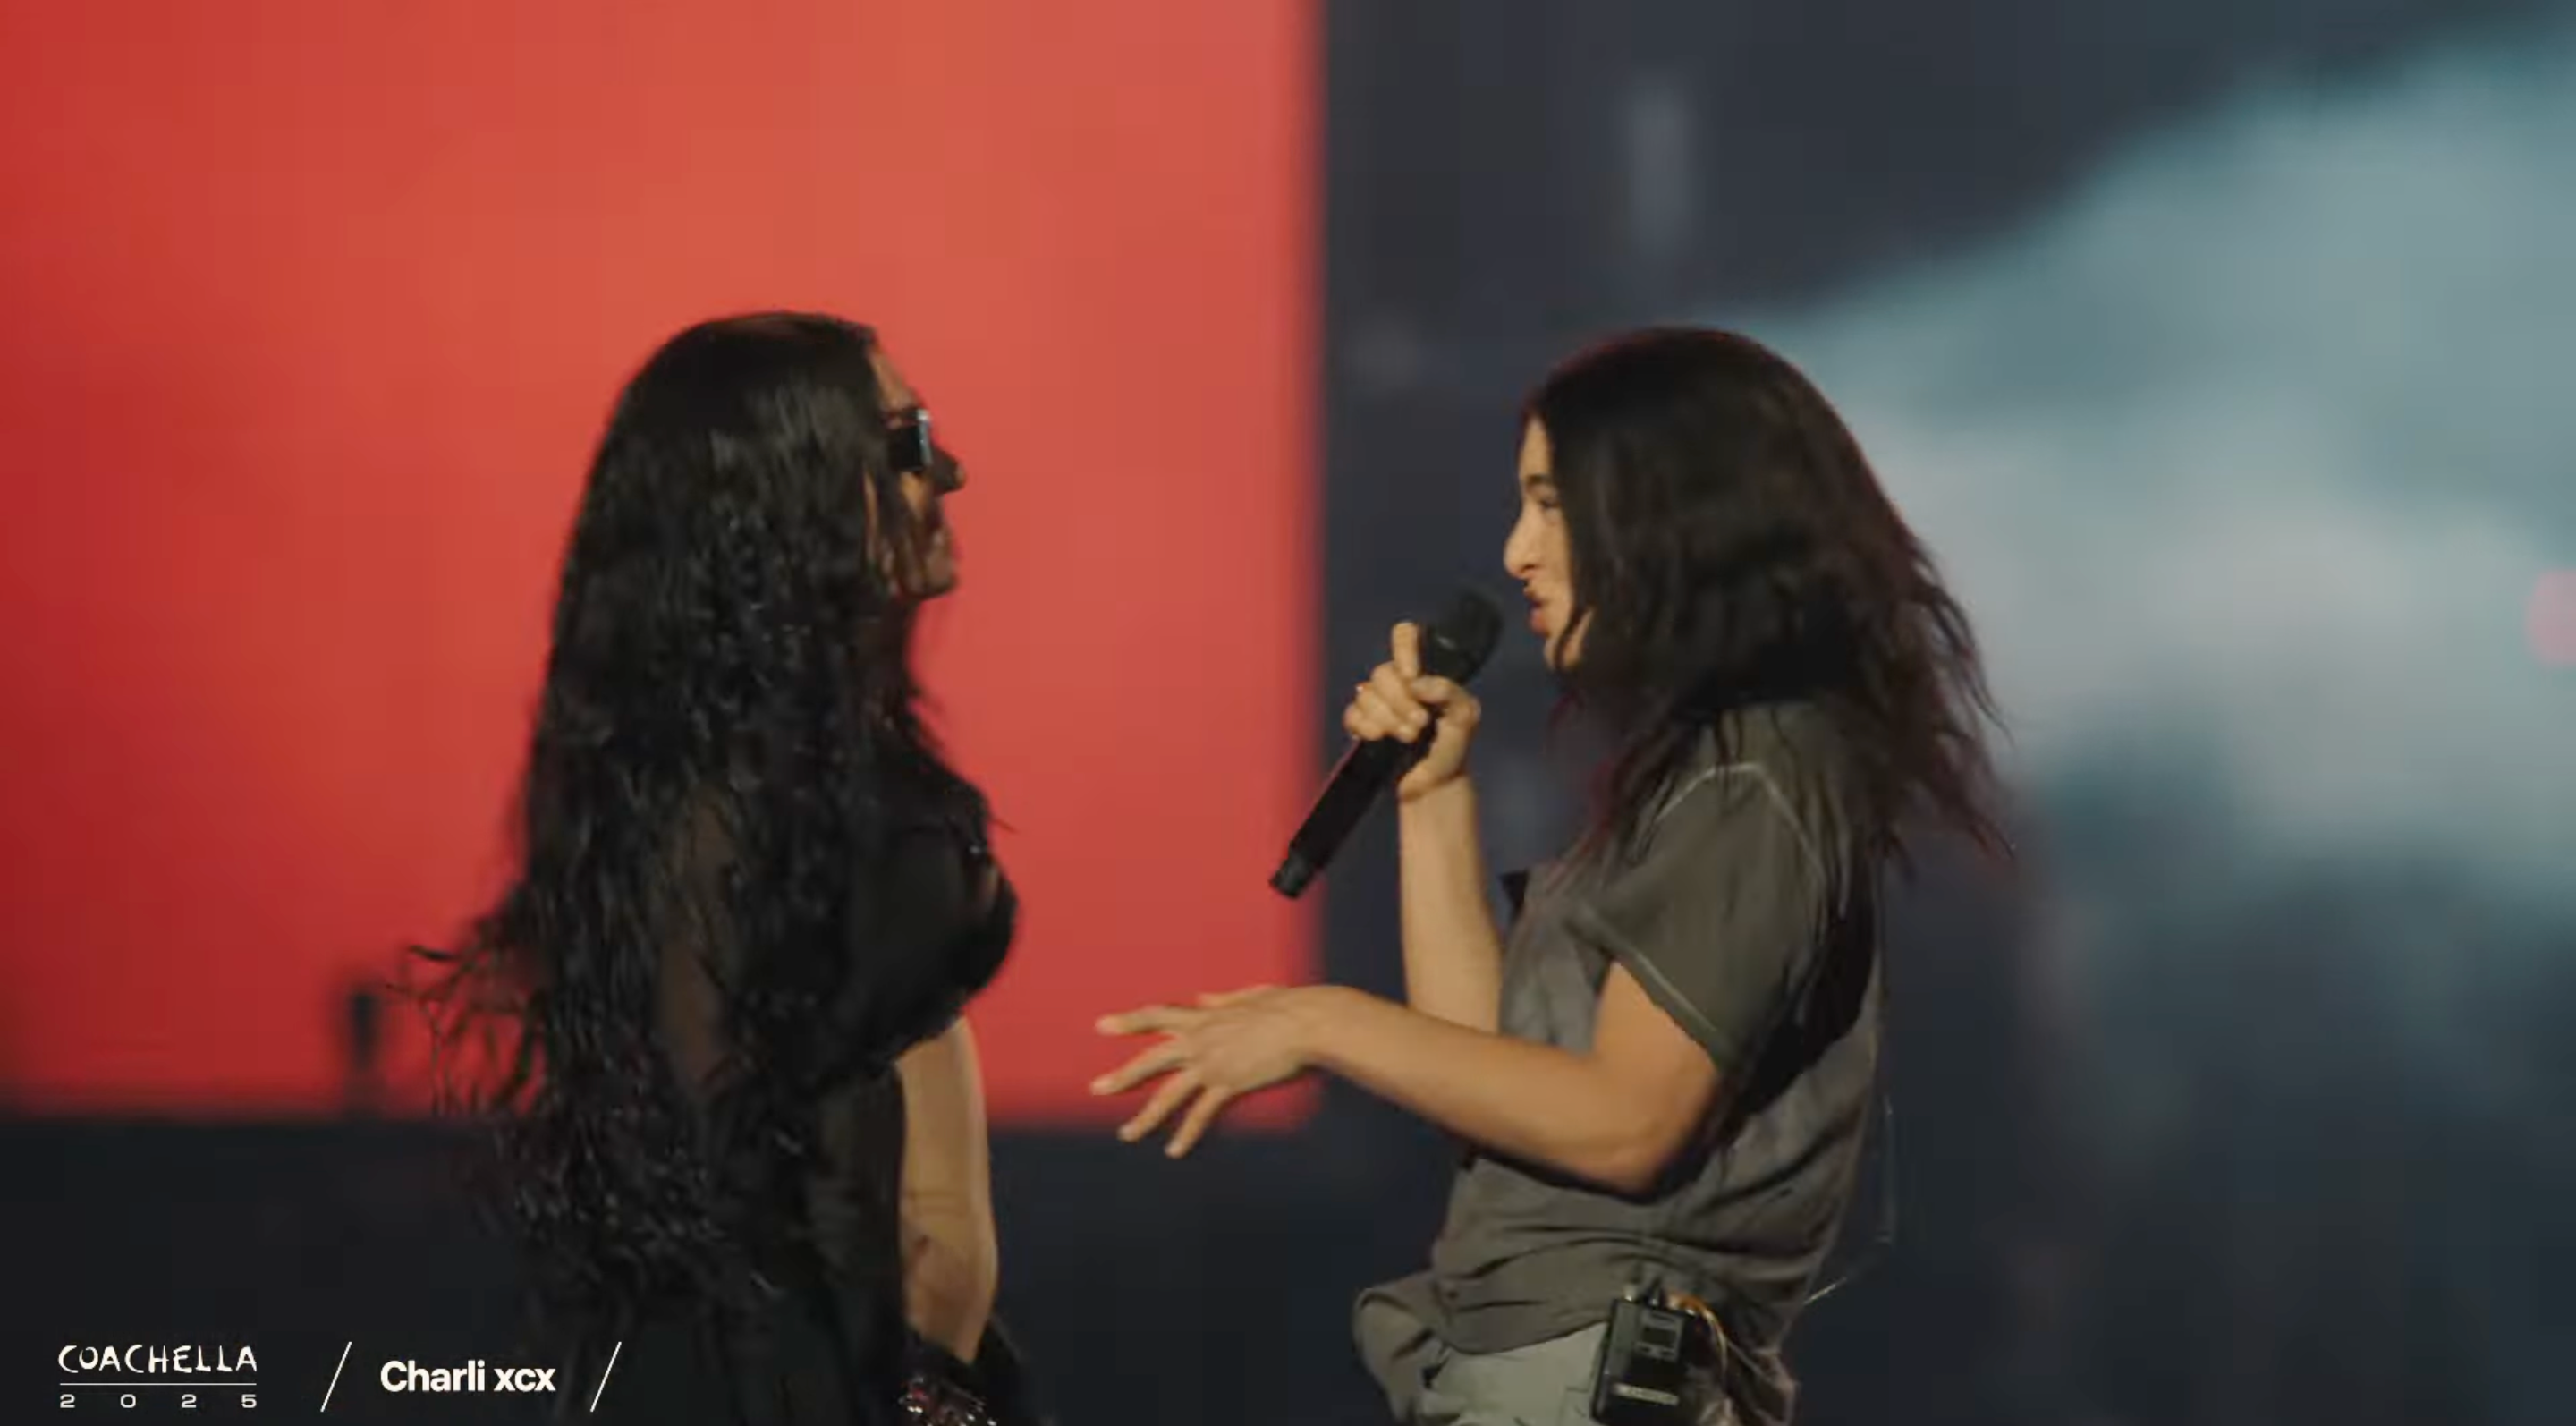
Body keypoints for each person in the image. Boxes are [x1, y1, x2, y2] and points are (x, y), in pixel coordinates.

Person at [1090, 327, 2010, 1424]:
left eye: (1550, 503)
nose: (1518, 549)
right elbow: (1499, 1085)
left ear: (1672, 514)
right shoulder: (1708, 779)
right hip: (1534, 1363)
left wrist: (1325, 1020)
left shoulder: (1756, 780)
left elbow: (1623, 1122)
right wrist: (1433, 801)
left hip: (1597, 1374)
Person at [411, 313, 1041, 1425]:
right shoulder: (713, 805)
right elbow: (723, 1183)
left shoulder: (836, 756)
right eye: (904, 440)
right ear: (793, 489)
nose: (947, 470)